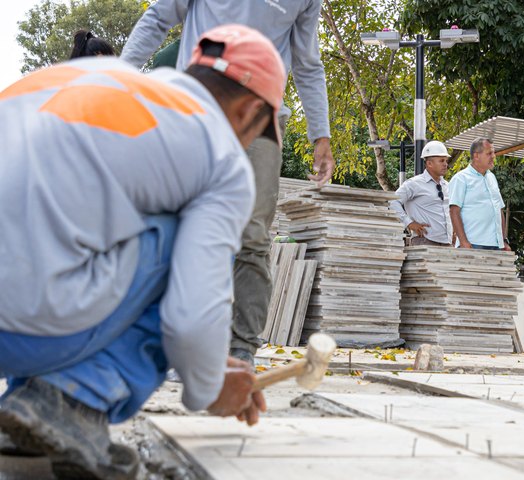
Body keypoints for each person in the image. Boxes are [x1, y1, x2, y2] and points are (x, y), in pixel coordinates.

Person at [0, 25, 285, 477]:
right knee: (176, 237)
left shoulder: (89, 79)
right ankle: (72, 399)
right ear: (252, 111)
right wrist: (208, 384)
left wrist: (208, 359)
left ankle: (25, 408)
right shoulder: (219, 154)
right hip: (18, 325)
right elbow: (192, 317)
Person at [120, 0, 335, 366]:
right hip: (197, 106)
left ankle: (241, 350)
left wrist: (322, 136)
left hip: (261, 117)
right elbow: (158, 17)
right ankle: (171, 345)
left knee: (252, 235)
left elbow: (308, 63)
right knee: (177, 222)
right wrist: (118, 76)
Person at [449, 137, 511, 251]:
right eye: (489, 153)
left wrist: (503, 241)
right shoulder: (461, 178)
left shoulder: (492, 177)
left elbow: (498, 209)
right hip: (472, 244)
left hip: (496, 245)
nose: (493, 156)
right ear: (476, 156)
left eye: (493, 153)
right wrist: (463, 242)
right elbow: (454, 211)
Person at [389, 141, 452, 246]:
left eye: (446, 160)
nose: (445, 164)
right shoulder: (414, 184)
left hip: (447, 243)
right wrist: (408, 223)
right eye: (441, 161)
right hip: (424, 241)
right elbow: (392, 201)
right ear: (429, 163)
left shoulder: (447, 185)